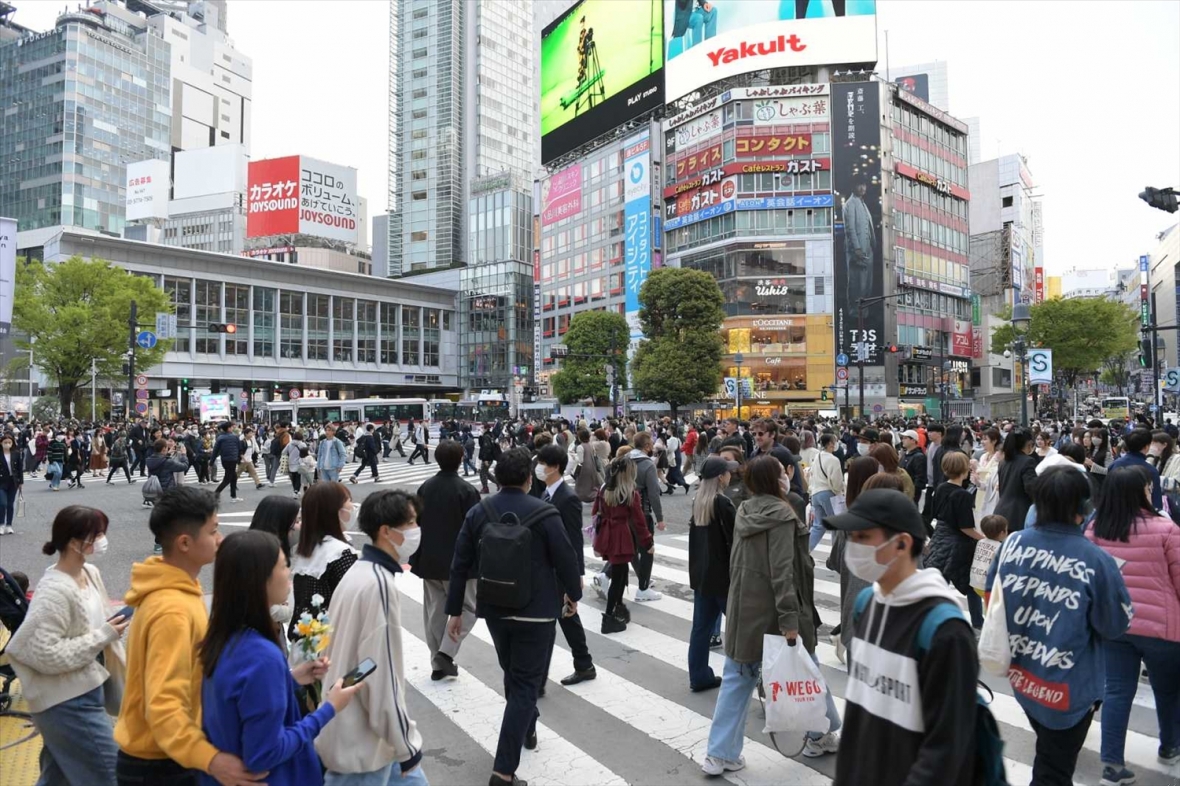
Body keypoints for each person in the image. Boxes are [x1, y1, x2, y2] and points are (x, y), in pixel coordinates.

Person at [823, 488, 982, 786]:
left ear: (902, 544)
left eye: (863, 538)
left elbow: (948, 746)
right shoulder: (867, 604)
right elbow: (858, 707)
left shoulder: (945, 630)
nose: (852, 548)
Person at [986, 465, 1133, 786]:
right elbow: (1115, 625)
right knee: (1054, 771)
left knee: (1051, 758)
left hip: (1023, 678)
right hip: (1070, 690)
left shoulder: (1012, 545)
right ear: (1083, 509)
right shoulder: (1096, 561)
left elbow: (990, 598)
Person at [444, 447, 582, 786]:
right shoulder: (546, 512)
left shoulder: (479, 511)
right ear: (526, 478)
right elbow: (566, 559)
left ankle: (527, 723)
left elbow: (459, 562)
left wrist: (454, 611)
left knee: (513, 675)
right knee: (524, 685)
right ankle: (503, 772)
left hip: (495, 608)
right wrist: (572, 595)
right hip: (537, 611)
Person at [114, 486, 263, 786]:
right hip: (161, 764)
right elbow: (165, 704)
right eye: (213, 531)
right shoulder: (173, 611)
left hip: (165, 755)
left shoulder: (175, 593)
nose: (219, 539)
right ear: (184, 542)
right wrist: (211, 759)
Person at [701, 455, 841, 777]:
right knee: (805, 670)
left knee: (738, 679)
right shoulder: (782, 516)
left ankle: (719, 754)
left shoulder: (745, 510)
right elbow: (783, 573)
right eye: (782, 473)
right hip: (775, 613)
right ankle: (819, 734)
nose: (787, 476)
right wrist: (790, 620)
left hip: (742, 609)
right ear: (774, 480)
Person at [200, 530, 359, 786]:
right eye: (284, 565)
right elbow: (264, 753)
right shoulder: (263, 656)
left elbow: (241, 700)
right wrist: (329, 708)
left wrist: (289, 679)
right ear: (259, 580)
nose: (290, 573)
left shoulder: (223, 638)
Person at [6, 506, 128, 786]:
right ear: (75, 542)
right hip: (68, 702)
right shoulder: (54, 592)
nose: (101, 540)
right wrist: (104, 635)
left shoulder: (90, 573)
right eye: (96, 534)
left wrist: (110, 631)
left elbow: (98, 628)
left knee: (57, 777)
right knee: (111, 775)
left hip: (88, 690)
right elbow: (42, 652)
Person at [316, 490, 428, 786]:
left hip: (358, 735)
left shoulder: (359, 572)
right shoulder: (378, 585)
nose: (417, 531)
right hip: (363, 745)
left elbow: (362, 664)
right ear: (386, 532)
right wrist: (406, 744)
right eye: (411, 523)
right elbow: (378, 670)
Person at [1085, 465, 1180, 785]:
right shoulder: (1166, 529)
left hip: (1115, 625)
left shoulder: (1096, 528)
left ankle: (1111, 764)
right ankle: (1169, 746)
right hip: (1161, 628)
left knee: (1116, 691)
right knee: (1168, 691)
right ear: (1141, 492)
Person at [412, 440, 481, 681]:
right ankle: (445, 653)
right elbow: (476, 530)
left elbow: (415, 522)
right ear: (461, 459)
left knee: (435, 611)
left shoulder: (425, 487)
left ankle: (437, 663)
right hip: (460, 562)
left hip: (429, 558)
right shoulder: (467, 491)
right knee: (469, 607)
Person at [531, 444, 596, 688]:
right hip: (546, 568)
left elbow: (574, 540)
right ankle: (583, 664)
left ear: (555, 467)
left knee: (564, 617)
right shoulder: (545, 493)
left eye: (542, 464)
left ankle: (582, 664)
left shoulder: (567, 498)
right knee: (563, 618)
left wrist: (577, 574)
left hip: (559, 569)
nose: (538, 468)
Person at [687, 456, 738, 692]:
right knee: (740, 628)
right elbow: (735, 540)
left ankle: (698, 676)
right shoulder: (723, 503)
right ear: (720, 476)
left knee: (700, 629)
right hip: (725, 577)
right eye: (728, 472)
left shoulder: (699, 501)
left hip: (702, 575)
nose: (730, 475)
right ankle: (745, 675)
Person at [289, 482, 359, 640]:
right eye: (348, 500)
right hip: (332, 641)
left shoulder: (309, 546)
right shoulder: (340, 552)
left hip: (306, 637)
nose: (352, 506)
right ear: (334, 511)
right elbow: (352, 604)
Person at [589, 456, 652, 630]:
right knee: (618, 578)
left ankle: (619, 608)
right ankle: (609, 617)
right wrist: (648, 542)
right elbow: (639, 522)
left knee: (621, 572)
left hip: (607, 534)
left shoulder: (604, 489)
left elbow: (595, 512)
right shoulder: (630, 493)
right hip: (621, 535)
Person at [924, 451, 985, 629]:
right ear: (964, 469)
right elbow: (965, 527)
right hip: (958, 544)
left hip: (939, 539)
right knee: (971, 584)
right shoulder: (963, 495)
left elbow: (935, 513)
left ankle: (935, 620)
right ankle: (977, 623)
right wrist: (984, 539)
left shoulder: (941, 487)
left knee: (939, 583)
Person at [249, 495, 300, 629]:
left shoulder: (255, 546)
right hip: (261, 630)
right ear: (281, 524)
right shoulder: (263, 554)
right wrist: (286, 611)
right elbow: (259, 605)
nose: (298, 526)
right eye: (295, 522)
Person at [627, 432, 666, 601]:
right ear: (647, 446)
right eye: (650, 444)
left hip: (623, 510)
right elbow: (654, 493)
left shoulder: (624, 460)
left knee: (630, 548)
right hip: (642, 511)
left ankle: (642, 580)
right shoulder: (647, 464)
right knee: (647, 548)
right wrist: (660, 517)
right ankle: (643, 588)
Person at [994, 427, 1038, 533]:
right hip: (1019, 515)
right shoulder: (1028, 461)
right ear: (1028, 443)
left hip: (1001, 511)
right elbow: (1032, 488)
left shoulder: (1003, 462)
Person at [1109, 428, 1163, 511]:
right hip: (1143, 517)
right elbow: (1156, 503)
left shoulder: (1114, 464)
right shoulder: (1150, 470)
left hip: (1116, 514)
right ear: (1147, 446)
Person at [807, 434, 844, 552]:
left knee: (818, 525)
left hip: (815, 493)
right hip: (828, 493)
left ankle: (805, 550)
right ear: (830, 444)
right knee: (835, 525)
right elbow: (837, 481)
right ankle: (835, 555)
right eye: (834, 441)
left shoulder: (817, 456)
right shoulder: (834, 459)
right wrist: (839, 492)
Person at [843, 178, 875, 305]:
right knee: (857, 283)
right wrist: (857, 248)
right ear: (853, 186)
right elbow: (850, 229)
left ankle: (864, 313)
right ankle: (855, 314)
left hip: (868, 249)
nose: (862, 188)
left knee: (867, 283)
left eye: (864, 184)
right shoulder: (849, 204)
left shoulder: (863, 203)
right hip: (857, 251)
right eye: (859, 184)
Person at [970, 514, 1008, 600]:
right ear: (1002, 533)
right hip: (987, 585)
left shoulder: (980, 542)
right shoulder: (1000, 547)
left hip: (975, 583)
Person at [211, 423, 243, 502]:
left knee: (233, 477)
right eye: (232, 427)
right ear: (228, 428)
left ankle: (233, 496)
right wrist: (239, 458)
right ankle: (215, 495)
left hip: (225, 460)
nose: (233, 428)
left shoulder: (220, 438)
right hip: (232, 459)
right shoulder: (235, 437)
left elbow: (215, 451)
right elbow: (239, 448)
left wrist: (211, 462)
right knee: (227, 479)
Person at [0, 431, 23, 534]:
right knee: (2, 504)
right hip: (1, 482)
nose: (7, 444)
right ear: (1, 443)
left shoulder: (16, 453)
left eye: (10, 442)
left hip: (13, 481)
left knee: (10, 504)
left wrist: (21, 482)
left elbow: (19, 468)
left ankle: (9, 525)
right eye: (5, 442)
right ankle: (1, 524)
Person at [573, 429, 604, 502]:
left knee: (582, 484)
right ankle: (591, 495)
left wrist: (574, 457)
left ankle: (582, 496)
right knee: (590, 484)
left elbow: (580, 460)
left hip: (583, 468)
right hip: (591, 466)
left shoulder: (580, 447)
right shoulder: (591, 445)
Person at [899, 429, 927, 507]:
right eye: (902, 438)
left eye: (905, 438)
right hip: (902, 489)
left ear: (913, 440)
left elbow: (920, 477)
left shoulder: (919, 457)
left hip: (911, 492)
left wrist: (913, 492)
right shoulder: (905, 454)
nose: (902, 440)